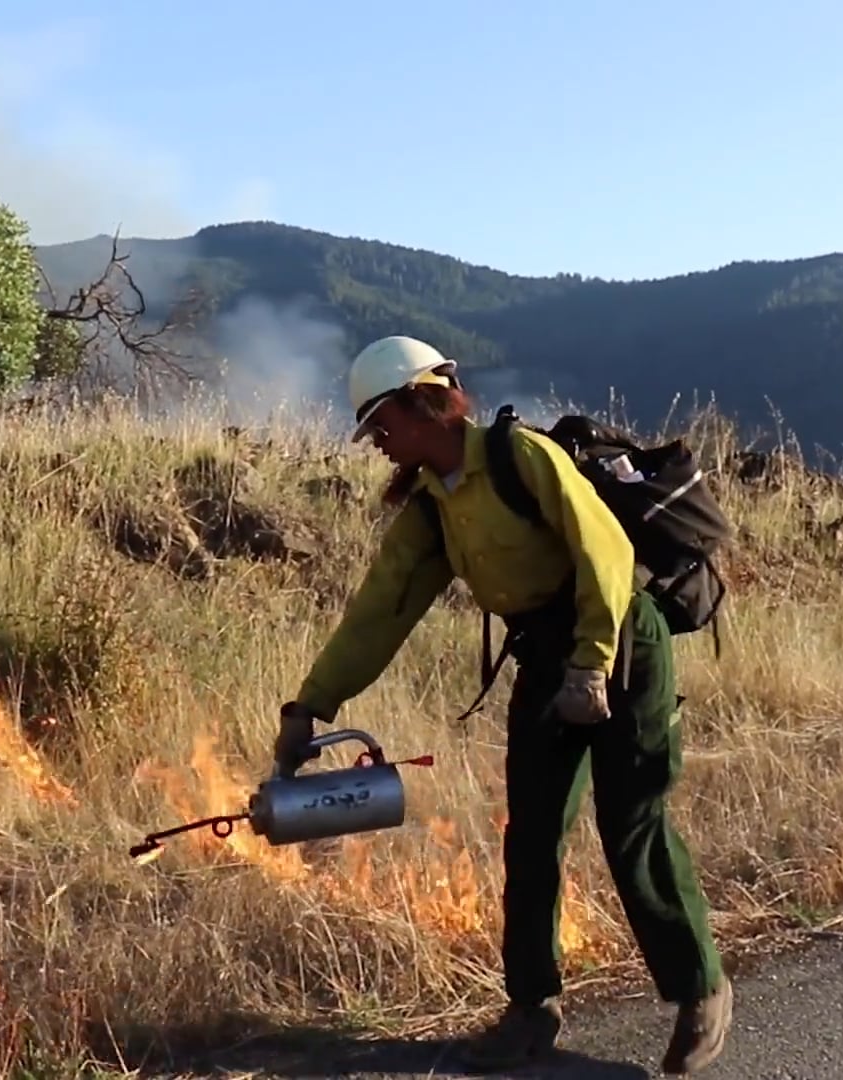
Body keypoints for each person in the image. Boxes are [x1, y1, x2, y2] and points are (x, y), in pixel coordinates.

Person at [270, 335, 734, 1074]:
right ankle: (530, 1011)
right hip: (546, 657)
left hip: (619, 640)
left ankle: (700, 990)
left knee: (632, 823)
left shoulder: (524, 459)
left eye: (383, 425)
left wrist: (592, 665)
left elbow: (606, 557)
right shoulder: (431, 509)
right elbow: (379, 612)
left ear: (425, 401)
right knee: (532, 834)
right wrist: (311, 705)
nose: (380, 444)